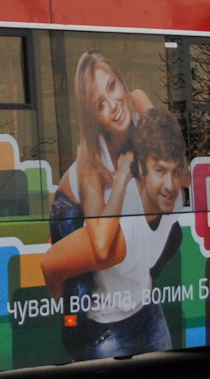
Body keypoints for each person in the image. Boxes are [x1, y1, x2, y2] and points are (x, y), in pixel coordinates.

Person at [48, 108, 186, 359]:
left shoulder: (175, 199)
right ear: (141, 169)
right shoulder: (120, 228)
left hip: (149, 312)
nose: (170, 186)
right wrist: (65, 307)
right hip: (107, 331)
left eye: (176, 171)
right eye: (160, 171)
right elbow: (50, 265)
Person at [50, 50, 155, 247]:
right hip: (70, 209)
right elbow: (100, 244)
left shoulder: (138, 103)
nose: (113, 105)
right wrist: (123, 175)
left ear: (122, 82)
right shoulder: (90, 158)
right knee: (94, 272)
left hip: (103, 209)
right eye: (100, 105)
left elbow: (174, 164)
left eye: (112, 86)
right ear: (93, 119)